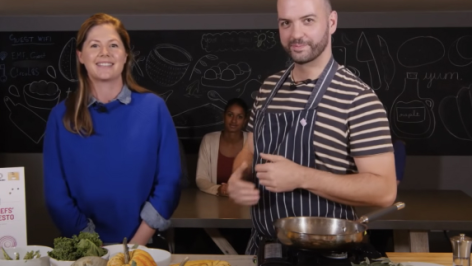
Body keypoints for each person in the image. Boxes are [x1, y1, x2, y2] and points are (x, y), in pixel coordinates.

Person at [227, 0, 397, 255]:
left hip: (328, 255)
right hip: (264, 250)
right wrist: (239, 176)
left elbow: (384, 190)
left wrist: (302, 177)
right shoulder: (268, 88)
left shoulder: (358, 98)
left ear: (331, 22)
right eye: (286, 23)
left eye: (308, 20)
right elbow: (249, 151)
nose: (296, 34)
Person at [43, 13, 181, 245]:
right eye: (94, 45)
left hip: (144, 246)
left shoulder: (154, 108)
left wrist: (133, 248)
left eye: (113, 45)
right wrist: (95, 248)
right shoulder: (60, 117)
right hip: (85, 249)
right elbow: (57, 197)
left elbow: (170, 181)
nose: (104, 52)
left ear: (125, 55)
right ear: (81, 56)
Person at [196, 98, 249, 196]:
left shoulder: (252, 142)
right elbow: (200, 178)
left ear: (245, 120)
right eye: (230, 115)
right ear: (223, 116)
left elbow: (260, 179)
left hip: (245, 202)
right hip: (213, 202)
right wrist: (220, 189)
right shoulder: (208, 140)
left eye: (239, 117)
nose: (234, 120)